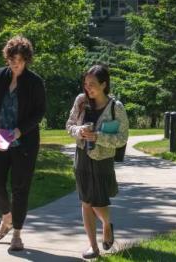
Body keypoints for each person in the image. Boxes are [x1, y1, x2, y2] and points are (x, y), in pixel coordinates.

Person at [0, 36, 46, 252]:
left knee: (20, 188)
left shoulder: (35, 82)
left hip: (23, 141)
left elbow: (39, 112)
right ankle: (6, 217)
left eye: (20, 59)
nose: (16, 63)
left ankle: (17, 234)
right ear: (7, 58)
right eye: (12, 58)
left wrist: (20, 130)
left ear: (26, 59)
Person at [65, 64, 129, 259]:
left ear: (104, 84)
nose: (88, 88)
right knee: (86, 201)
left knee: (98, 202)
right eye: (86, 84)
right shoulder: (81, 101)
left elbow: (123, 137)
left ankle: (107, 224)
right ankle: (93, 246)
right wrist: (79, 131)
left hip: (103, 160)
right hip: (82, 156)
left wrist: (98, 136)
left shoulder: (115, 107)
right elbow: (69, 125)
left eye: (92, 84)